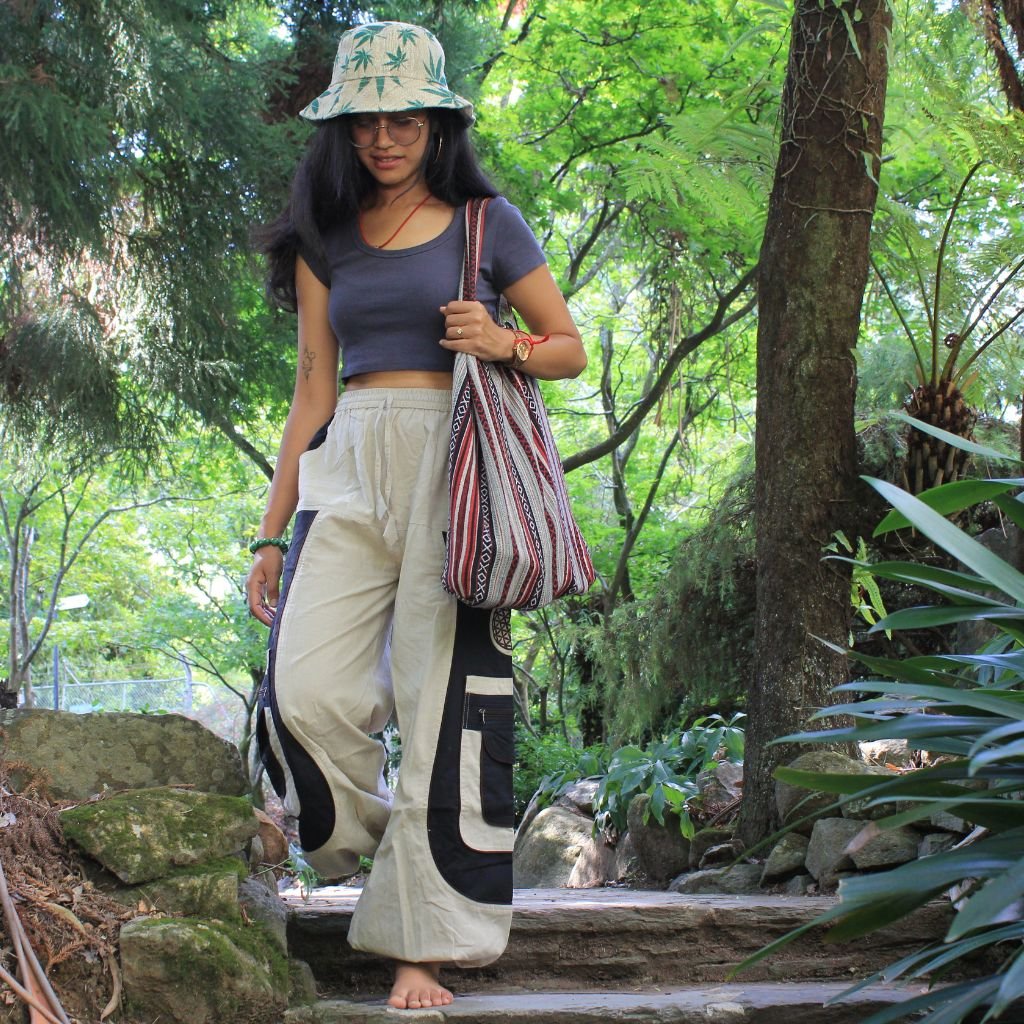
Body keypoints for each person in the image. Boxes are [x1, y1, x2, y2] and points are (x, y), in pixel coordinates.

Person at [246, 21, 586, 1011]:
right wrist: (272, 530)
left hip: (459, 461)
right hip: (348, 460)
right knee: (300, 690)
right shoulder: (326, 240)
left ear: (438, 124)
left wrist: (502, 338)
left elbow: (568, 347)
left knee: (451, 707)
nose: (382, 139)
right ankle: (361, 840)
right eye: (364, 123)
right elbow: (310, 393)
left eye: (402, 120)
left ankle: (422, 947)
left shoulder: (489, 224)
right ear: (344, 132)